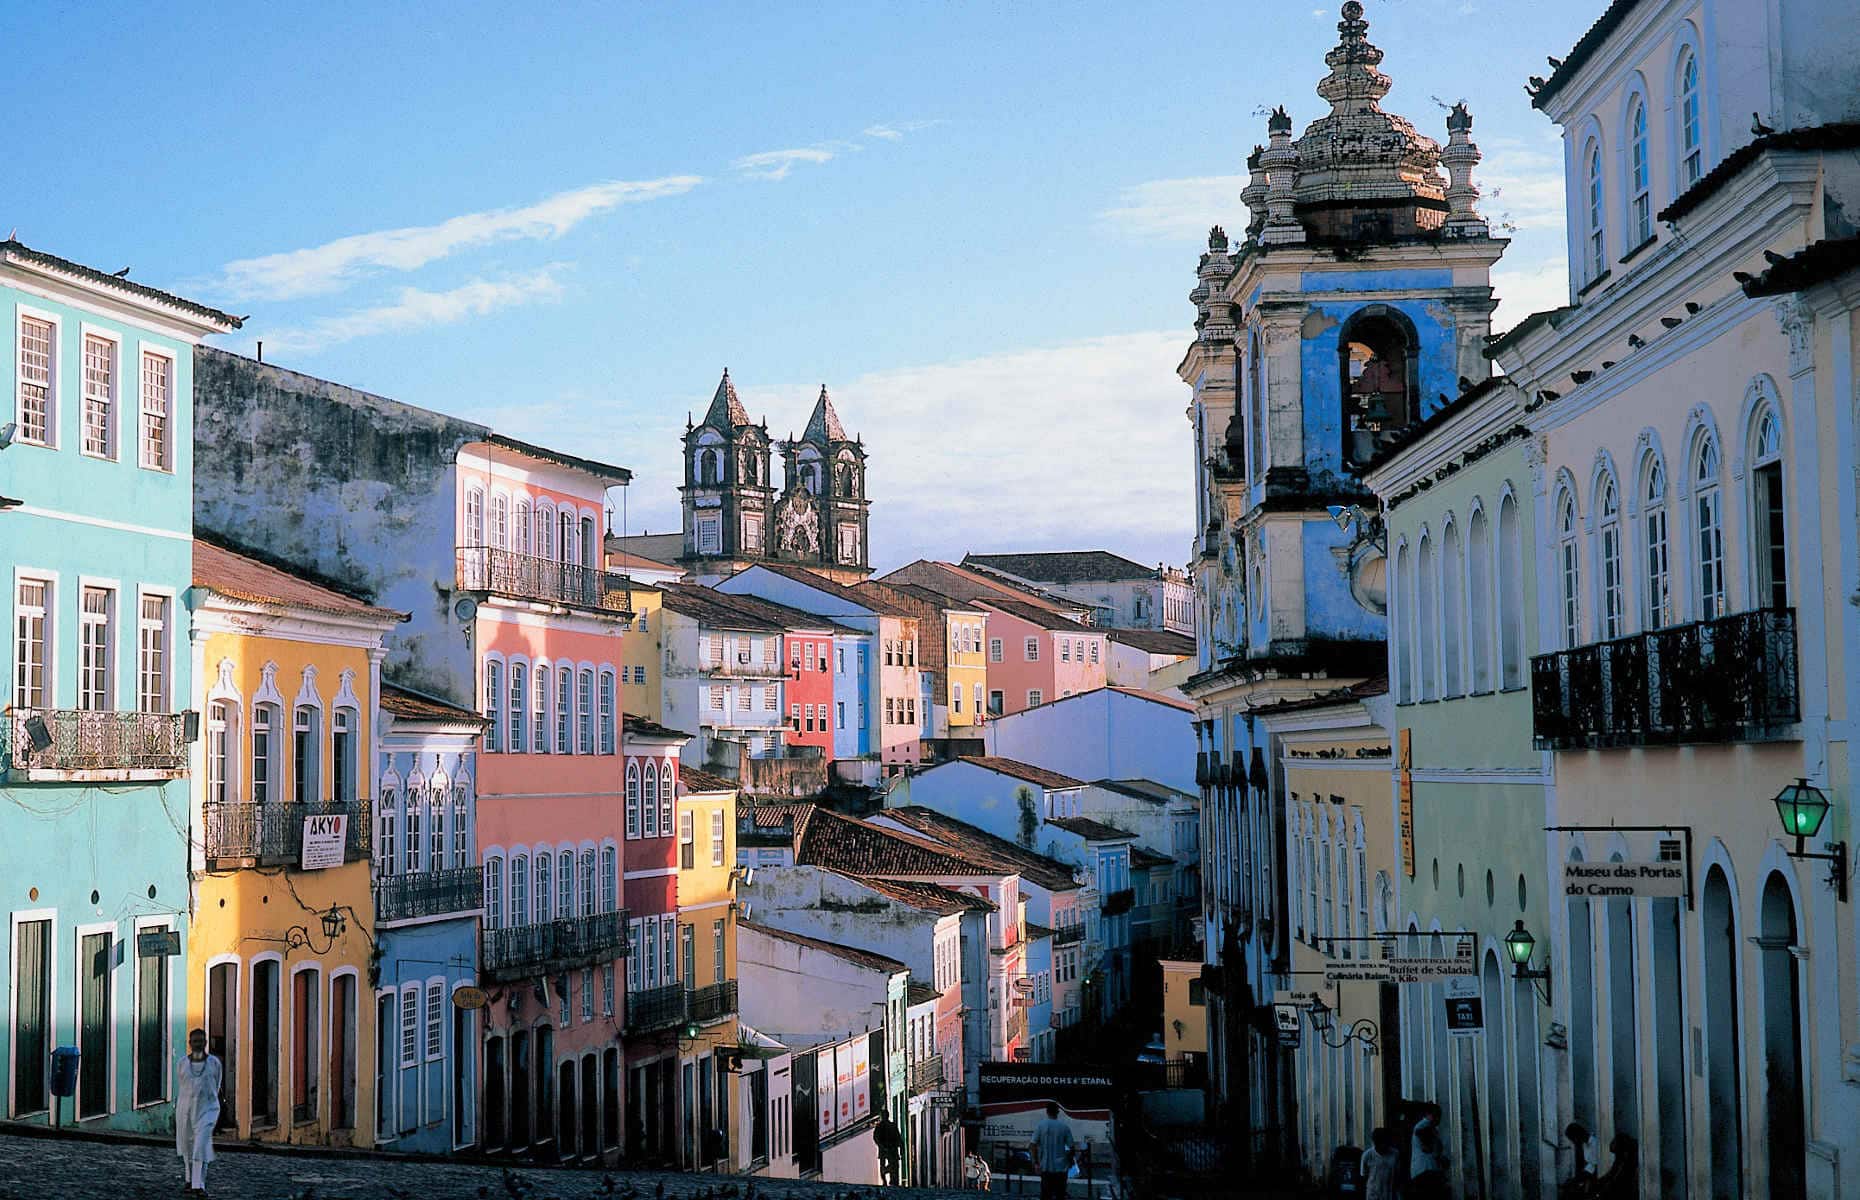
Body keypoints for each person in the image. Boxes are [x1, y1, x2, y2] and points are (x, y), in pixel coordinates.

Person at [175, 1028, 222, 1196]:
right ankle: (189, 1179)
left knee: (200, 1145)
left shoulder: (214, 1063)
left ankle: (198, 1185)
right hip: (185, 1110)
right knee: (188, 1146)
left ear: (206, 1042)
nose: (198, 1044)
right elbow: (182, 1086)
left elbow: (216, 1086)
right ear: (190, 1043)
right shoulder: (182, 1063)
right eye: (195, 1041)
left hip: (207, 1110)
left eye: (201, 1041)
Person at [1030, 1101, 1075, 1200]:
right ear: (1058, 1112)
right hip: (1061, 1168)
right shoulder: (1064, 1127)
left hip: (1045, 1167)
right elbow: (1071, 1147)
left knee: (1046, 1194)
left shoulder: (1041, 1126)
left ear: (1047, 1112)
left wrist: (1036, 1163)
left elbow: (1032, 1145)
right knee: (1060, 1194)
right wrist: (1070, 1161)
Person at [1406, 1103, 1448, 1200]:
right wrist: (1438, 1157)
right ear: (1427, 1114)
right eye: (1435, 1115)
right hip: (1425, 1170)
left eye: (1439, 1116)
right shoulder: (1424, 1125)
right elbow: (1422, 1136)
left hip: (1426, 1170)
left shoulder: (1431, 1128)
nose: (1438, 1119)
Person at [1595, 1134, 1639, 1200]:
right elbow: (1613, 1171)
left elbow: (1619, 1175)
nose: (1617, 1154)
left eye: (1617, 1152)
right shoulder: (1621, 1156)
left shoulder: (1630, 1155)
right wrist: (1601, 1181)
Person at [1361, 1127, 1399, 1200]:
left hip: (1389, 1194)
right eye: (1381, 1143)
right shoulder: (1367, 1156)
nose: (1384, 1146)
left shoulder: (1395, 1154)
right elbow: (1363, 1177)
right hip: (1373, 1195)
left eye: (1385, 1142)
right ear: (1375, 1143)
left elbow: (1397, 1176)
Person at [1561, 1122, 1597, 1199]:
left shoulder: (1594, 1143)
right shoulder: (1584, 1145)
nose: (1573, 1142)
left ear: (1577, 1136)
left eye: (1573, 1139)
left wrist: (1574, 1180)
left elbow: (1592, 1168)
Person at [875, 1112, 903, 1186]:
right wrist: (900, 1146)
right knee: (892, 1165)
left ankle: (887, 1178)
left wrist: (881, 1146)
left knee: (888, 1165)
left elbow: (876, 1138)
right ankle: (889, 1180)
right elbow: (898, 1137)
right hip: (890, 1149)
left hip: (887, 1149)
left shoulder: (880, 1126)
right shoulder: (891, 1125)